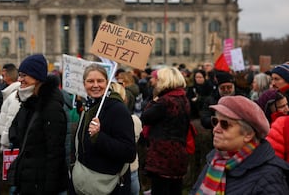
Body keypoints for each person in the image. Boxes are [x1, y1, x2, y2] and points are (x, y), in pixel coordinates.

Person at [190, 95, 289, 194]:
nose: (216, 129)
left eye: (225, 124)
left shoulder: (269, 177)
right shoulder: (215, 159)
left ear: (248, 134)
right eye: (215, 121)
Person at [71, 63, 136, 194]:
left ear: (107, 83)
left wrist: (99, 137)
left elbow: (129, 153)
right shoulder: (88, 106)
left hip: (108, 187)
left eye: (100, 81)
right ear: (84, 84)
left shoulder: (117, 109)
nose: (95, 85)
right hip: (86, 183)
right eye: (90, 81)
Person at [8, 54, 68, 194]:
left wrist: (49, 190)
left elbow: (55, 154)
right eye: (19, 75)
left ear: (37, 78)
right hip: (30, 180)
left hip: (41, 185)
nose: (19, 79)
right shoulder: (31, 102)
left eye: (24, 76)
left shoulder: (51, 107)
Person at [141, 67, 190, 195]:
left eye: (156, 79)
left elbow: (146, 117)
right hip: (178, 152)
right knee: (174, 188)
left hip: (163, 155)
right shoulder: (182, 98)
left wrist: (153, 101)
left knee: (161, 189)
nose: (153, 81)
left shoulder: (165, 101)